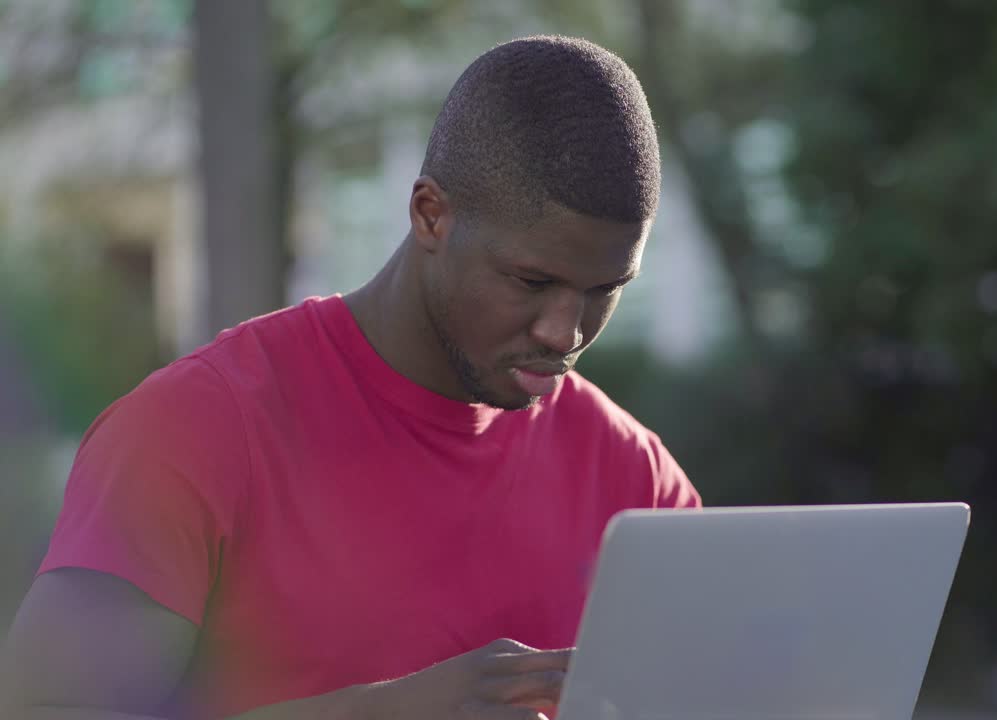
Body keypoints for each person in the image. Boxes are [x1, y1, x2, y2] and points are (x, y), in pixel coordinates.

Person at [0, 36, 701, 720]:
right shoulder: (198, 426)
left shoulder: (637, 480)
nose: (565, 331)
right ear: (431, 214)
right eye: (531, 280)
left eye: (605, 288)